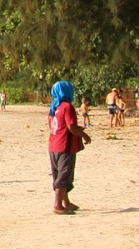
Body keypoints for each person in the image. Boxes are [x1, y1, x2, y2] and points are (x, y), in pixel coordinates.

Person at [48, 80, 91, 214]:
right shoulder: (67, 106)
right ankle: (57, 204)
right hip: (64, 145)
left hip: (53, 145)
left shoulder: (54, 107)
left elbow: (56, 126)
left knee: (58, 174)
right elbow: (71, 127)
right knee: (64, 175)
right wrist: (84, 135)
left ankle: (65, 202)